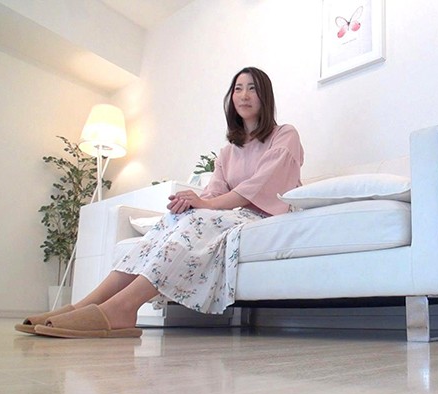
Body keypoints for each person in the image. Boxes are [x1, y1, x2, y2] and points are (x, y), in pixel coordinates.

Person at [16, 67, 304, 338]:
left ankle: (122, 308)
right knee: (176, 218)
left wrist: (206, 206)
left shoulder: (285, 134)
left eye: (252, 88)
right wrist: (192, 202)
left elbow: (260, 185)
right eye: (238, 89)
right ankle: (82, 306)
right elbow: (214, 193)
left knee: (200, 220)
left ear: (265, 96)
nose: (243, 95)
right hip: (230, 214)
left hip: (263, 216)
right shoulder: (228, 151)